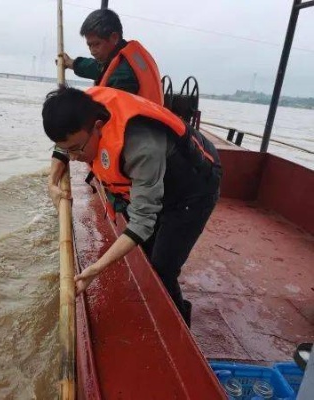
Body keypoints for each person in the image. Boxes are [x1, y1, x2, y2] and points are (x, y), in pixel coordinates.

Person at [42, 86, 222, 326]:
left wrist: (95, 269)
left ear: (97, 127)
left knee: (163, 267)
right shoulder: (81, 109)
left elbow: (142, 222)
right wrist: (52, 180)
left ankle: (179, 325)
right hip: (157, 179)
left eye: (76, 149)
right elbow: (64, 144)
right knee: (146, 249)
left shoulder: (140, 147)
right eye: (68, 150)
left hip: (192, 189)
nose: (72, 158)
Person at [50, 8, 163, 212]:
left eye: (96, 44)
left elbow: (81, 122)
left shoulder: (122, 77)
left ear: (114, 37)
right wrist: (72, 63)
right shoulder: (122, 56)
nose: (93, 50)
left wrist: (55, 171)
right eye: (89, 45)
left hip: (139, 147)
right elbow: (98, 67)